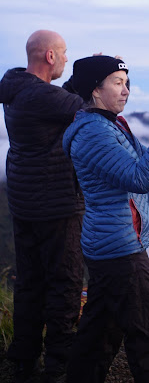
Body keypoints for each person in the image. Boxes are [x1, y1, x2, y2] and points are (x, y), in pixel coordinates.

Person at [62, 55, 149, 383]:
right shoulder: (93, 133)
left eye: (127, 82)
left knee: (99, 334)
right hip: (119, 250)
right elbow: (141, 179)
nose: (126, 90)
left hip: (110, 243)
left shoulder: (110, 125)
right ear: (95, 91)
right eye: (117, 83)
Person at [0, 30, 86, 383]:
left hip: (24, 199)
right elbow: (86, 108)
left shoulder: (16, 86)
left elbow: (57, 101)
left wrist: (75, 81)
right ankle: (58, 366)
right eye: (65, 53)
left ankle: (23, 361)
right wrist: (92, 75)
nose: (67, 58)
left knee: (30, 282)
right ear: (50, 56)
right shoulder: (41, 96)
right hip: (56, 203)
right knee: (64, 283)